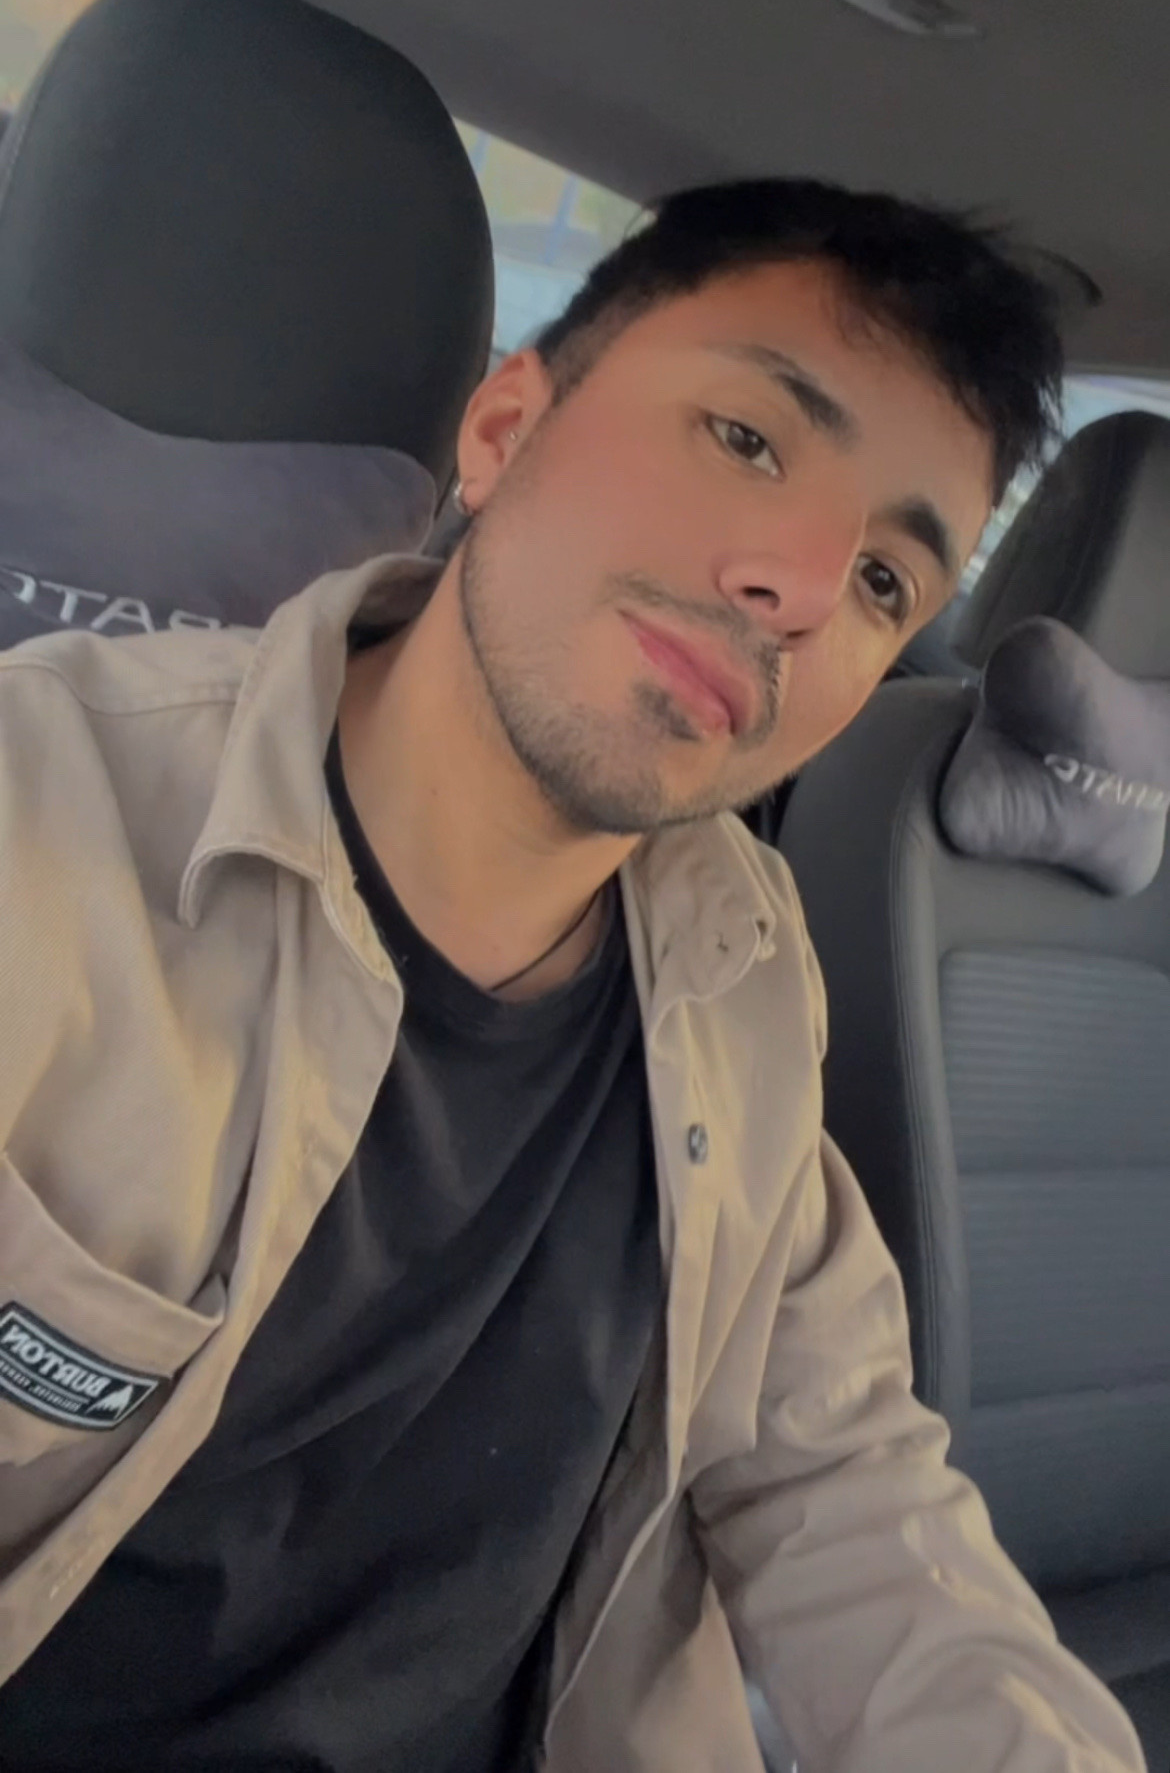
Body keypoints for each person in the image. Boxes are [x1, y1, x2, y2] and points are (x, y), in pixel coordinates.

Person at [0, 179, 1147, 1773]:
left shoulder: (743, 968)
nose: (801, 588)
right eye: (746, 438)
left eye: (888, 582)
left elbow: (837, 1483)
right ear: (501, 429)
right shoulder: (42, 826)